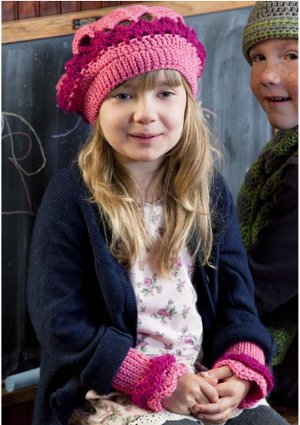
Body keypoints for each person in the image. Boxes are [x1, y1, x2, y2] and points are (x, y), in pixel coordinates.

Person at [27, 5, 288, 425]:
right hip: (110, 388)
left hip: (203, 377)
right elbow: (60, 322)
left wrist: (238, 370)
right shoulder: (73, 197)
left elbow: (238, 300)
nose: (145, 114)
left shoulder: (206, 190)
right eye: (124, 94)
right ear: (98, 107)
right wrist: (155, 381)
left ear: (188, 102)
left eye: (165, 93)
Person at [237, 1, 298, 408]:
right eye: (258, 57)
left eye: (291, 55)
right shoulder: (283, 154)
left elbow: (257, 291)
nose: (268, 75)